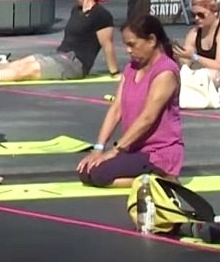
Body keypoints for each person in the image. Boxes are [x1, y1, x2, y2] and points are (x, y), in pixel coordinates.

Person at [77, 15, 183, 189]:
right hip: (134, 150)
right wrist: (98, 148)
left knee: (99, 174)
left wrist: (115, 151)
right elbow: (116, 109)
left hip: (157, 152)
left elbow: (148, 118)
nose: (128, 50)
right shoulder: (131, 68)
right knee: (86, 171)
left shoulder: (165, 72)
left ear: (151, 40)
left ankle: (162, 180)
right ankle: (149, 177)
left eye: (132, 44)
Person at [0, 0, 120, 83]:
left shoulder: (101, 15)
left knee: (28, 69)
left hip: (74, 64)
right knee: (24, 62)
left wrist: (115, 73)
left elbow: (107, 45)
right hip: (60, 55)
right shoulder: (76, 11)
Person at [173, 0, 220, 101]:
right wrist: (179, 56)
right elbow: (185, 66)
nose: (196, 18)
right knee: (182, 75)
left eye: (201, 15)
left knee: (207, 74)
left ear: (215, 12)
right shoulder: (194, 34)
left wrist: (194, 57)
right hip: (215, 78)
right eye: (193, 14)